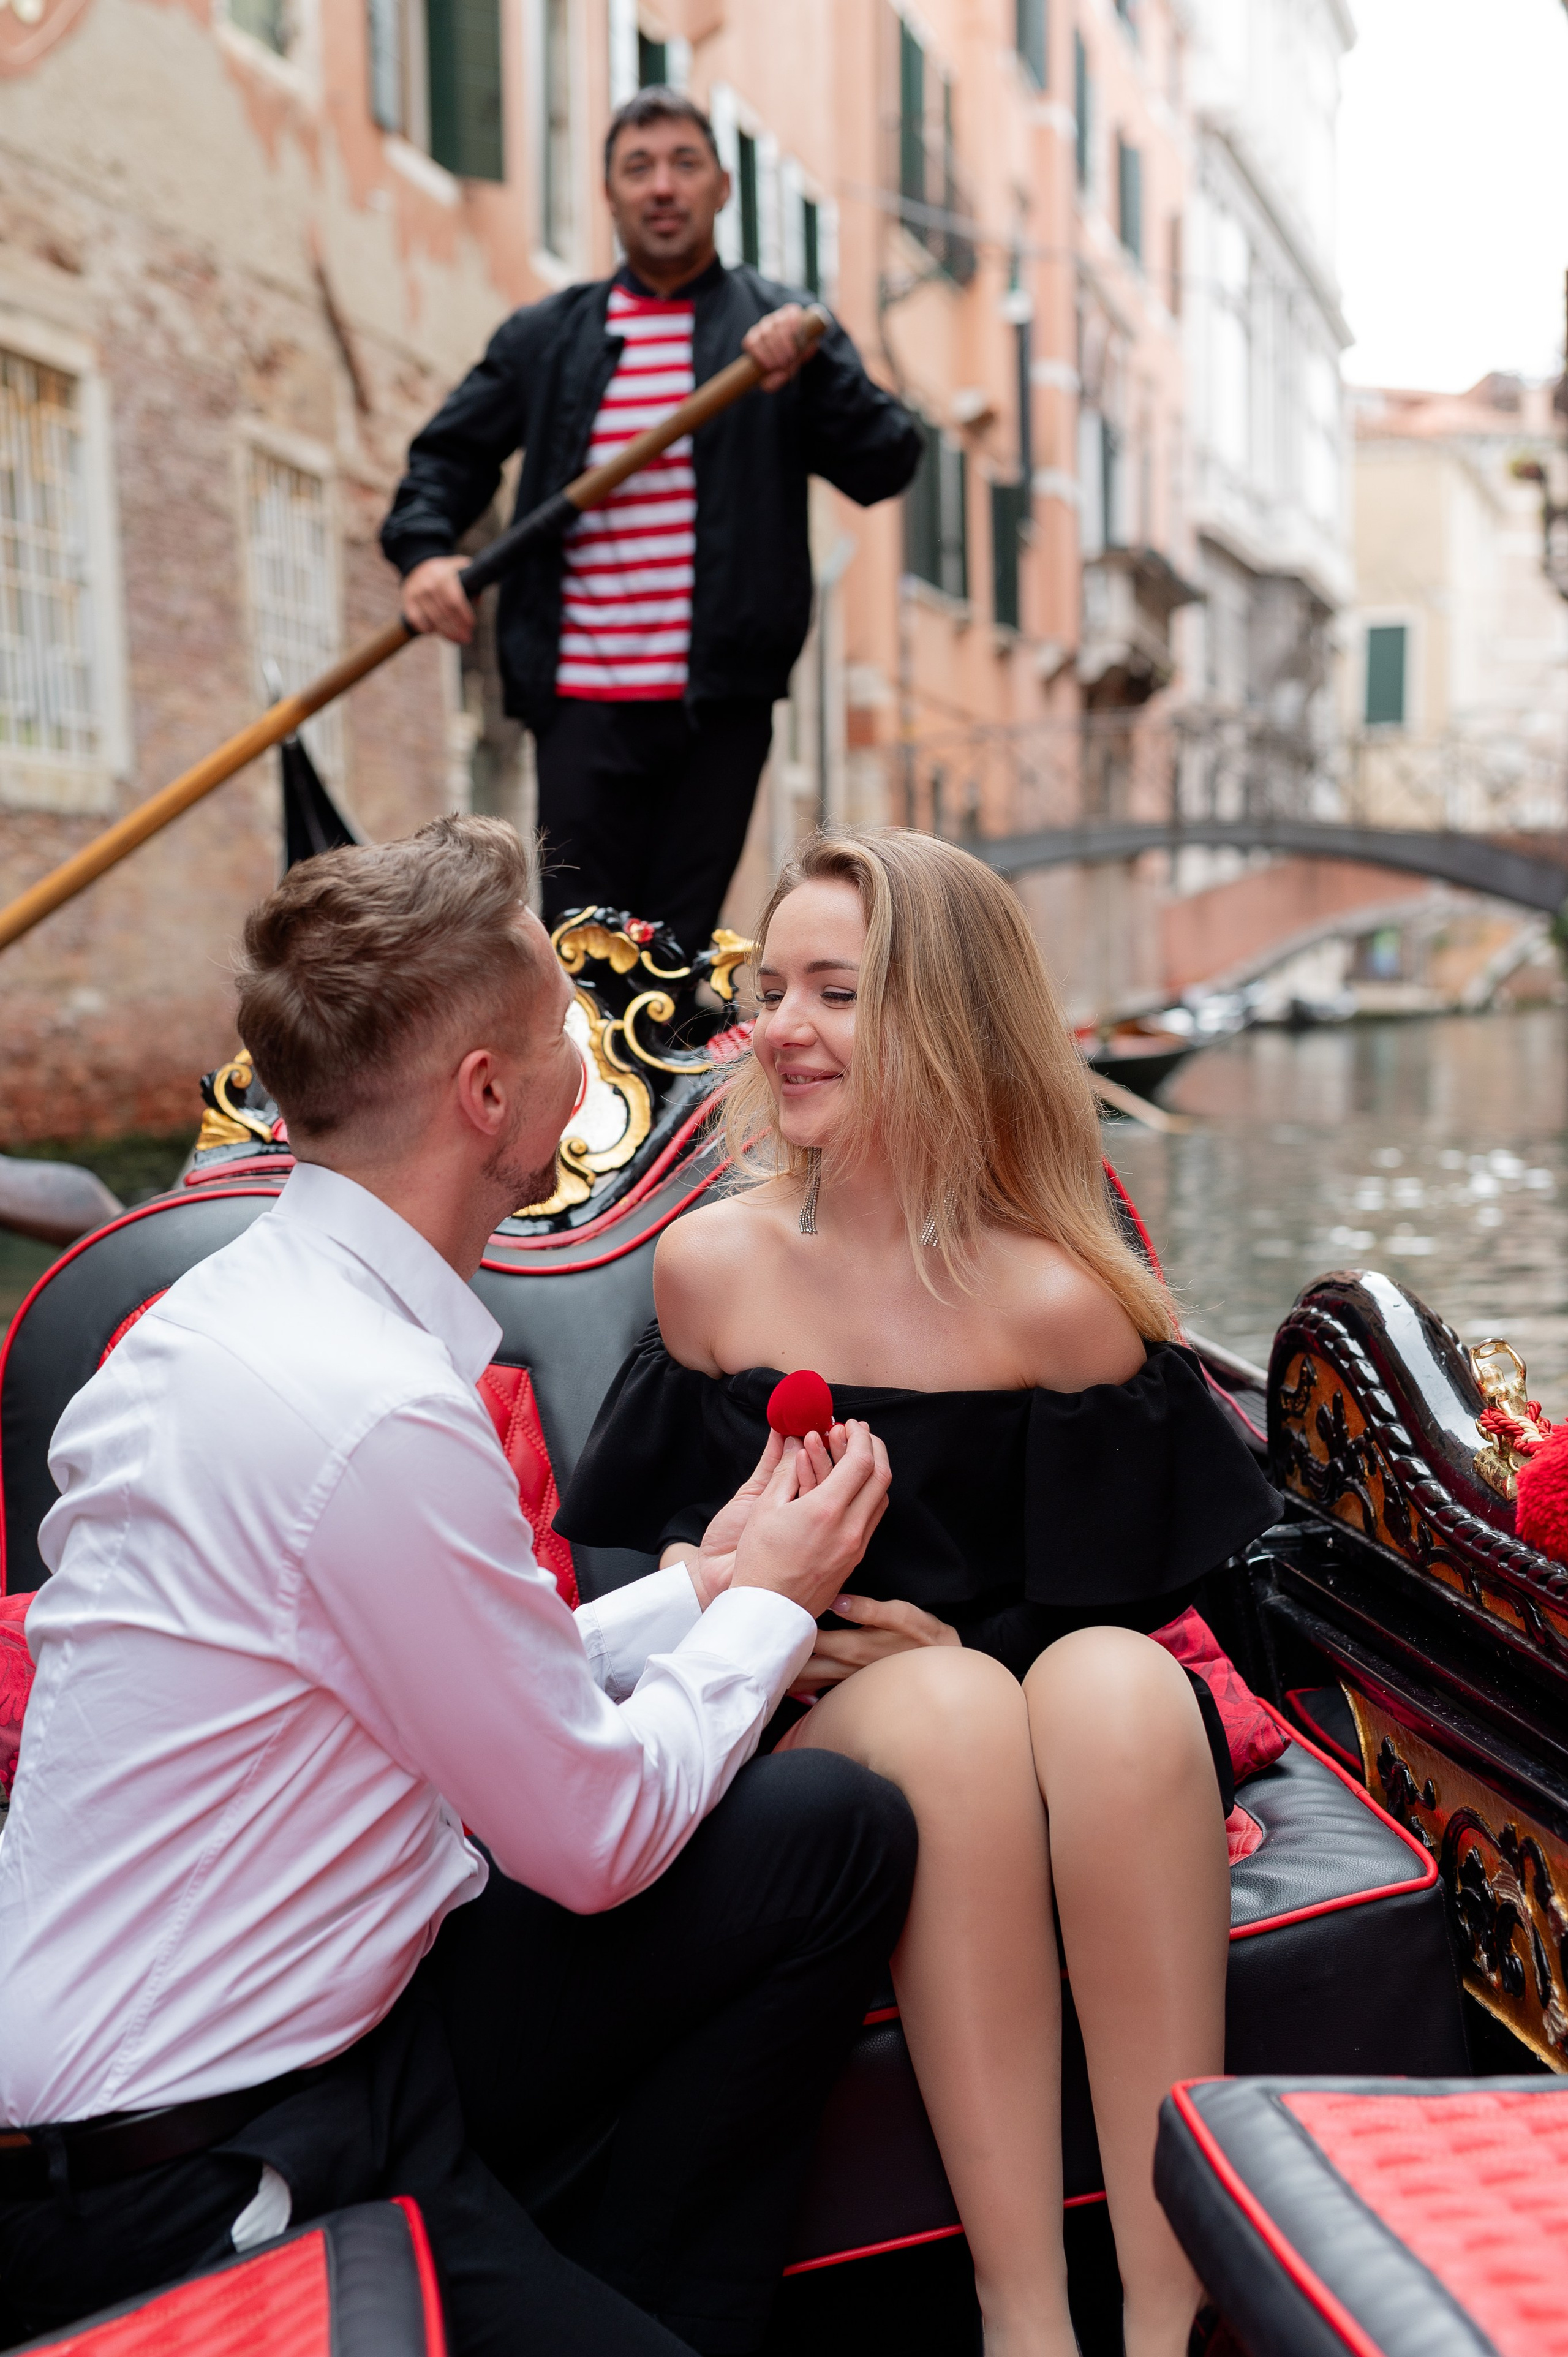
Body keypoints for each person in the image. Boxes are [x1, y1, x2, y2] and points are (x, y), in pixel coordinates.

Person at [0, 816, 916, 2357]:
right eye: (562, 1022)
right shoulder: (369, 1412)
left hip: (339, 2026)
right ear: (488, 1097)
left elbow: (417, 1664)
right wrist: (777, 1601)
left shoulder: (223, 1315)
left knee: (826, 1834)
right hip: (193, 2164)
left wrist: (696, 1585)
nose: (586, 1053)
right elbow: (595, 1837)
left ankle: (640, 2305)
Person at [558, 829, 1283, 2357]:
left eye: (838, 989)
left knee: (1102, 1685)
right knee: (947, 1711)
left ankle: (1169, 2316)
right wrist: (749, 1601)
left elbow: (1129, 1605)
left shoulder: (1061, 1305)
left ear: (949, 1016)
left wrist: (972, 1644)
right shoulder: (708, 1271)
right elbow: (614, 1560)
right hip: (798, 1736)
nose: (782, 1027)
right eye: (770, 989)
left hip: (1025, 1708)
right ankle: (1020, 2320)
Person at [381, 86, 921, 962]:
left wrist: (816, 376)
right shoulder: (548, 337)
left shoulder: (781, 335)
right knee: (583, 950)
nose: (662, 186)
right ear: (611, 194)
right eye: (639, 168)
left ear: (721, 189)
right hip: (581, 701)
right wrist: (424, 554)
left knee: (678, 952)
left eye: (684, 165)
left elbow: (888, 462)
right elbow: (444, 458)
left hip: (721, 698)